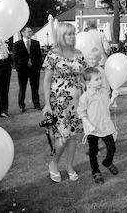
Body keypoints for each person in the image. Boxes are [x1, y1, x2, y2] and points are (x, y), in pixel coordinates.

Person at [42, 22, 87, 183]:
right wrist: (47, 104)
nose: (72, 37)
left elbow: (83, 77)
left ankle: (69, 166)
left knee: (73, 136)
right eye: (68, 34)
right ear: (61, 36)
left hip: (77, 102)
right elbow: (46, 82)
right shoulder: (52, 55)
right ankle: (53, 164)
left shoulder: (79, 54)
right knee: (63, 136)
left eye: (74, 33)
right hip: (59, 103)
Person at [77, 67, 119, 184]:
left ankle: (107, 162)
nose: (100, 81)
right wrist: (89, 125)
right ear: (88, 83)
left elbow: (108, 107)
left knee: (112, 148)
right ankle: (95, 171)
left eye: (100, 79)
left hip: (106, 126)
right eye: (97, 80)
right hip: (93, 129)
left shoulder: (104, 92)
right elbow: (81, 113)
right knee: (93, 151)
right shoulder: (85, 97)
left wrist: (113, 99)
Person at [12, 26, 43, 112]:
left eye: (31, 31)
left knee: (35, 87)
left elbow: (39, 56)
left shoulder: (36, 43)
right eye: (29, 31)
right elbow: (15, 57)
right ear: (23, 33)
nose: (31, 33)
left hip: (34, 69)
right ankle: (21, 105)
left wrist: (39, 65)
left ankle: (37, 104)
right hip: (22, 69)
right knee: (22, 88)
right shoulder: (17, 44)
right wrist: (17, 67)